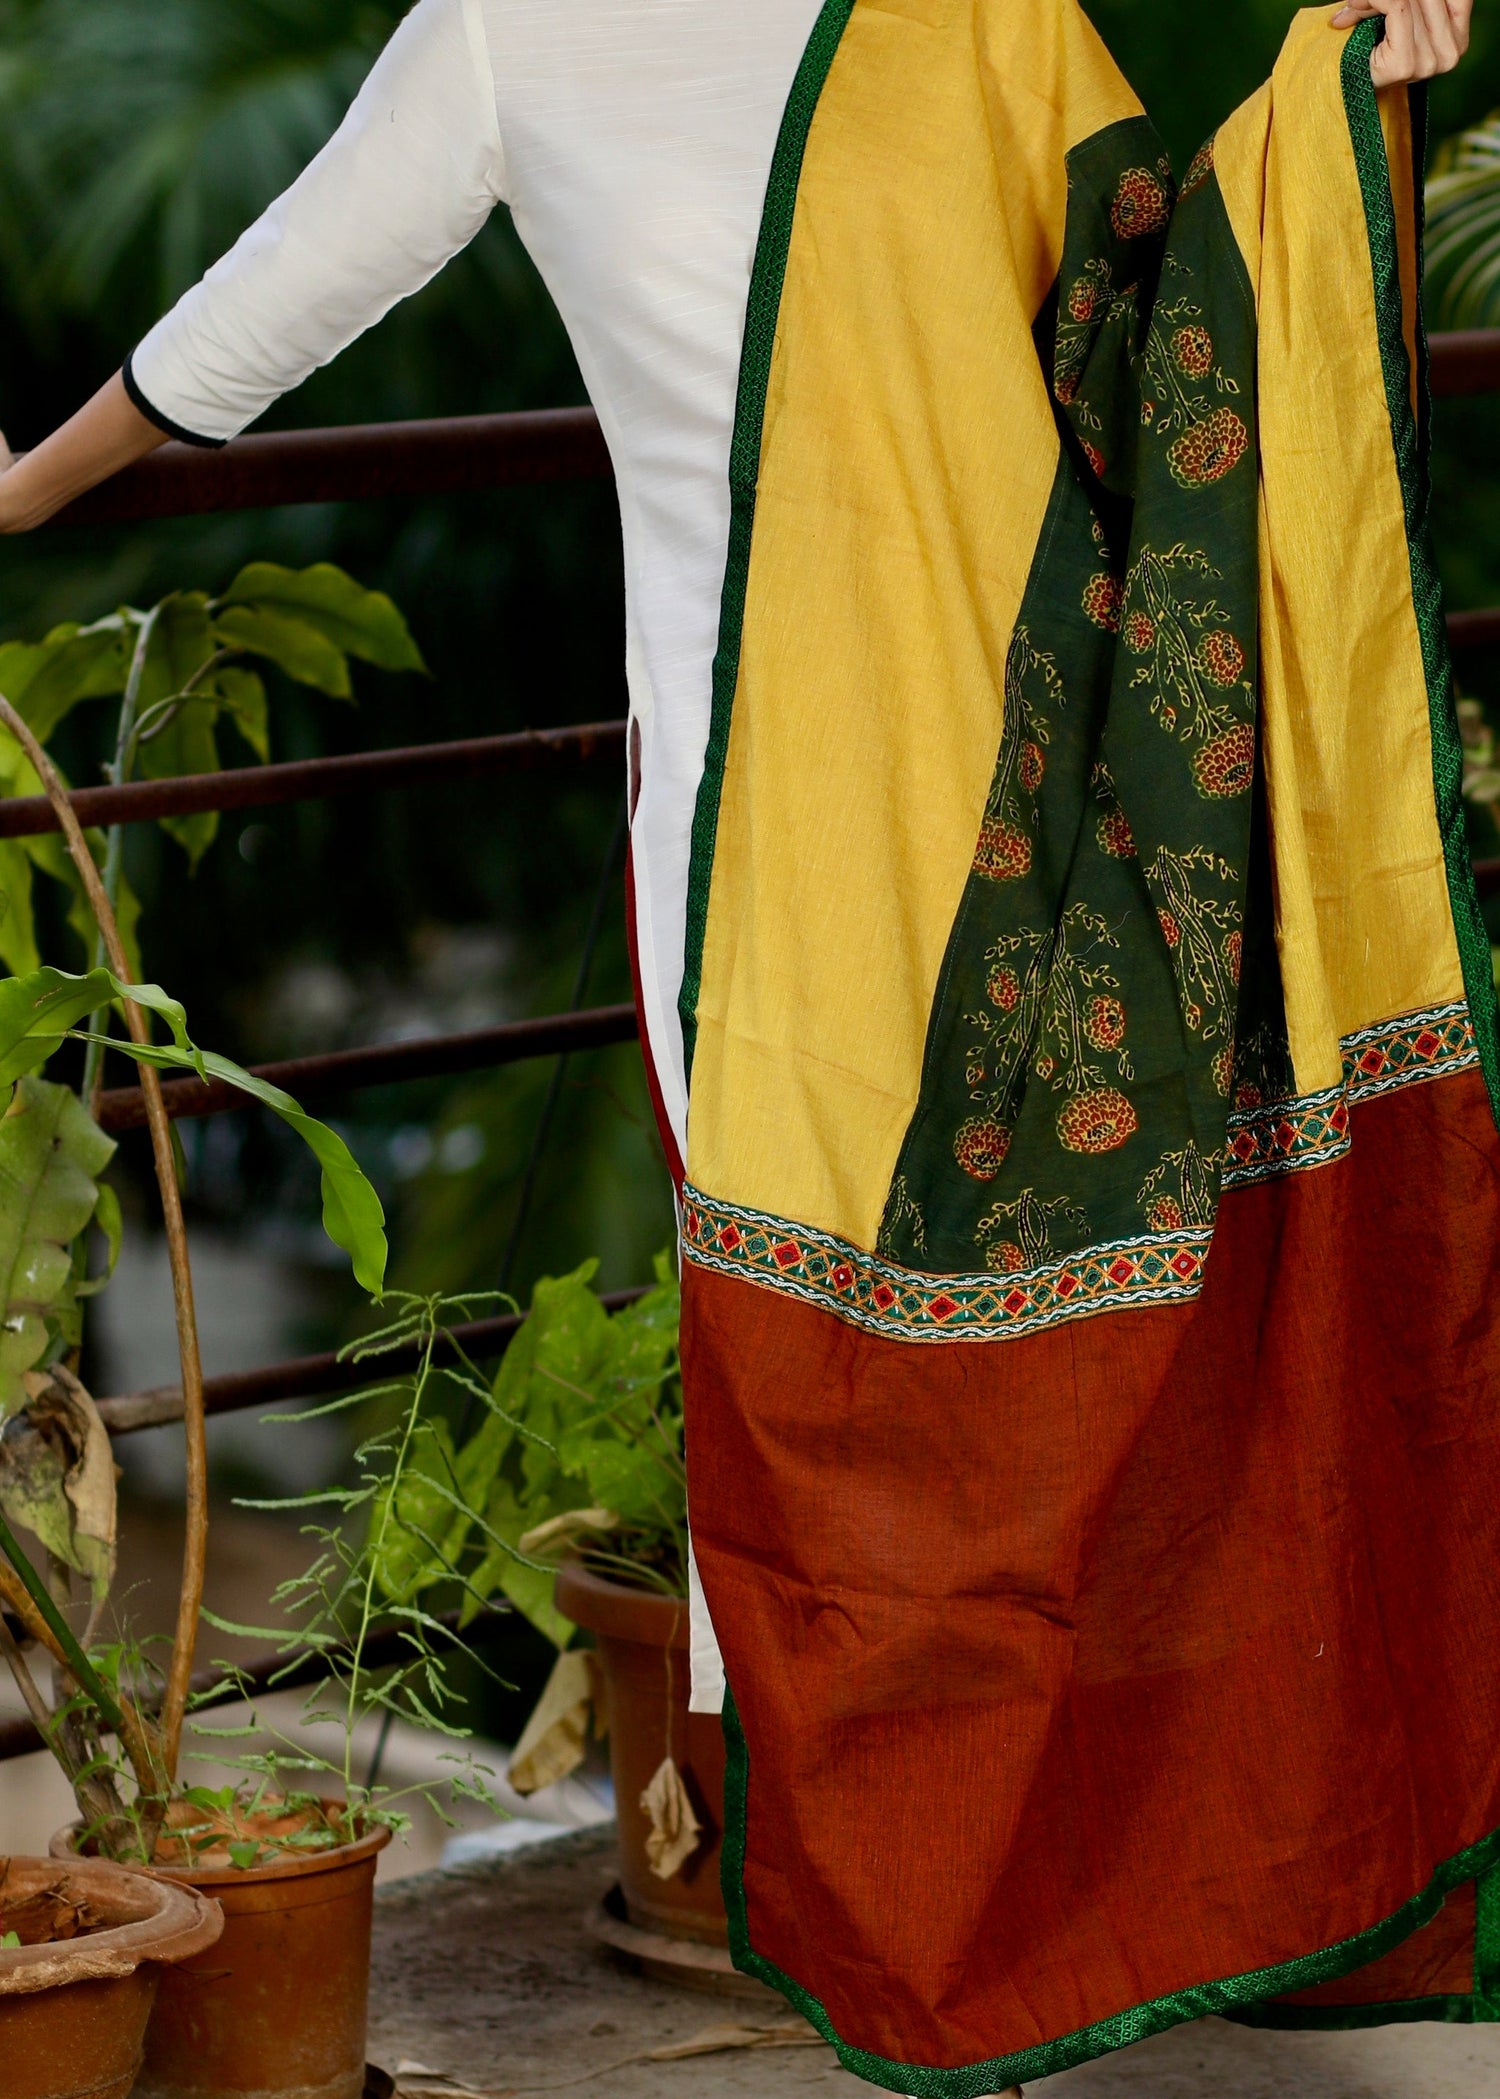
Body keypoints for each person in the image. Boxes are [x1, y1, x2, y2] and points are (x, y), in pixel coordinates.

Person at [3, 2, 1496, 2091]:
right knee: (990, 1356)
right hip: (1027, 789)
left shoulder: (563, 29)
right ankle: (1002, 1894)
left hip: (824, 825)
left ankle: (944, 1909)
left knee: (854, 1376)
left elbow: (243, 337)